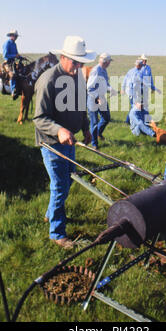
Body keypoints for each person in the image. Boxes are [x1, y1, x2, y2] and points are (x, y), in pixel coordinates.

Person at [33, 35, 96, 249]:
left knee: (68, 181)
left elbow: (80, 106)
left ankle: (51, 213)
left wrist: (86, 127)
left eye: (81, 63)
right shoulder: (48, 80)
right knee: (60, 185)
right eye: (75, 62)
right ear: (63, 57)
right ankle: (57, 233)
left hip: (69, 140)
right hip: (52, 142)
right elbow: (39, 118)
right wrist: (59, 130)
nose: (78, 67)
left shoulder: (77, 77)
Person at [87, 53, 117, 149]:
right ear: (106, 62)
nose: (110, 64)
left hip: (102, 98)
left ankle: (97, 134)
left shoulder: (104, 70)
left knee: (106, 118)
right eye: (109, 62)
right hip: (93, 99)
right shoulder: (95, 71)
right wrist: (97, 97)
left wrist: (110, 89)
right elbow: (90, 88)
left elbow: (105, 83)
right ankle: (94, 144)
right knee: (94, 122)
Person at [121, 59, 144, 124]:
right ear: (139, 65)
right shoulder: (137, 73)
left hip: (129, 91)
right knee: (134, 107)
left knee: (133, 107)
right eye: (141, 65)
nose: (142, 66)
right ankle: (130, 121)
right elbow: (134, 84)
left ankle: (129, 121)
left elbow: (125, 79)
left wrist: (123, 88)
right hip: (133, 92)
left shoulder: (130, 71)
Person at [2, 29, 21, 100]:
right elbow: (5, 55)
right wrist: (15, 56)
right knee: (12, 74)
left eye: (16, 36)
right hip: (7, 62)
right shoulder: (7, 43)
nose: (16, 37)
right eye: (15, 36)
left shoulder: (14, 44)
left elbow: (16, 54)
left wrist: (21, 57)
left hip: (13, 62)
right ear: (11, 36)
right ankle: (13, 91)